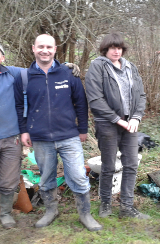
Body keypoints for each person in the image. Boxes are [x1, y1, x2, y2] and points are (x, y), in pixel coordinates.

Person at [0, 40, 80, 236]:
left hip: (11, 139)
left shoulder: (14, 74)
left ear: (3, 57)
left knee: (8, 180)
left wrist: (64, 68)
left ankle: (5, 214)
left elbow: (42, 68)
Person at [14, 34, 103, 231]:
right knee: (46, 177)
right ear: (33, 48)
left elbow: (81, 102)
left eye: (49, 47)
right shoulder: (24, 77)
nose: (44, 50)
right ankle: (51, 211)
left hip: (69, 136)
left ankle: (85, 214)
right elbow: (19, 106)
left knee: (78, 175)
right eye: (40, 47)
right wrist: (23, 131)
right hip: (40, 138)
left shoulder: (68, 74)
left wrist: (82, 130)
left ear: (55, 49)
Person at [85, 32, 150, 219]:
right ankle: (105, 204)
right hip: (107, 124)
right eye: (112, 48)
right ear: (105, 49)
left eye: (119, 47)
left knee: (131, 165)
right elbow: (95, 99)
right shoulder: (97, 67)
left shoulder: (131, 67)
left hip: (130, 125)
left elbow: (141, 95)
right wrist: (117, 119)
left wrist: (136, 117)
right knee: (108, 166)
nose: (116, 51)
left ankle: (127, 207)